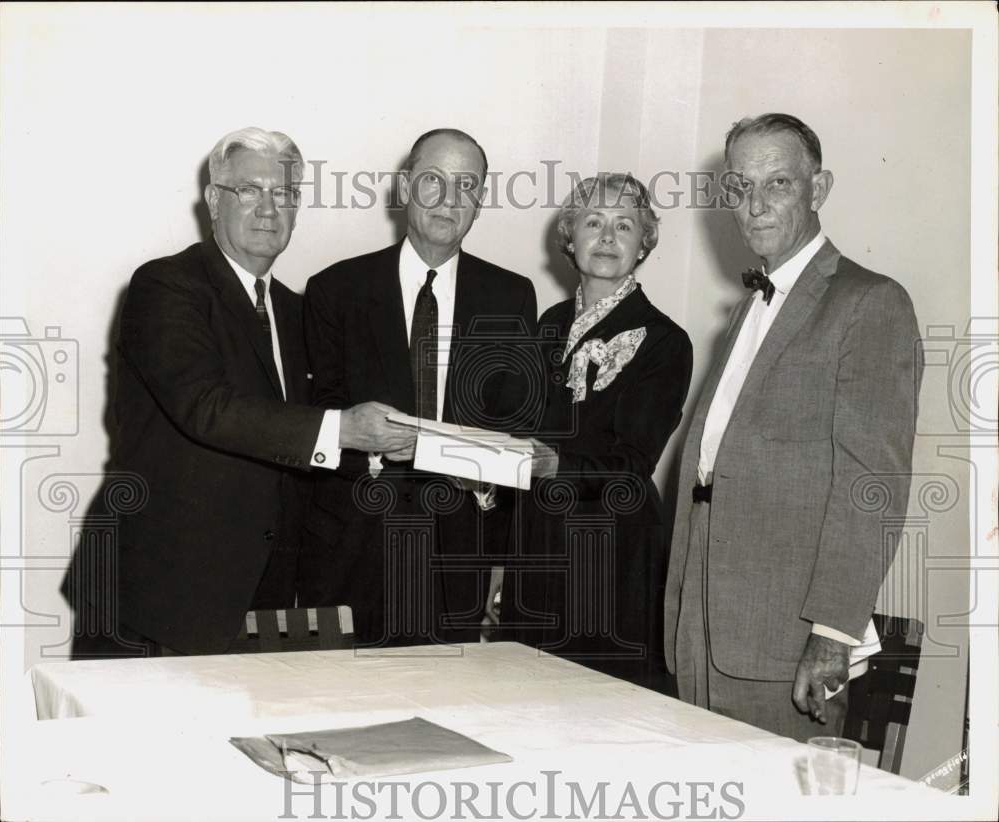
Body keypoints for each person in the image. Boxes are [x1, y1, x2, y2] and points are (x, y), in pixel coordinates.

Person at [65, 127, 414, 658]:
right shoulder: (166, 286)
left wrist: (400, 442)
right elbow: (206, 408)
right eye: (249, 191)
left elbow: (309, 441)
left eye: (285, 194)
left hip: (260, 598)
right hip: (158, 593)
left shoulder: (296, 311)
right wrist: (344, 427)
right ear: (213, 200)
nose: (269, 209)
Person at [664, 113, 923, 739]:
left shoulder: (869, 302)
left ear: (819, 188)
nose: (754, 205)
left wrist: (833, 636)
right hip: (702, 625)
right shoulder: (750, 307)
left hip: (787, 643)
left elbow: (873, 487)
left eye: (776, 183)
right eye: (739, 187)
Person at [299, 128, 540, 647]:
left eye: (465, 185)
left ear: (480, 202)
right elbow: (317, 420)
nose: (447, 199)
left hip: (459, 556)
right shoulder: (334, 290)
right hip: (350, 551)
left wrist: (501, 557)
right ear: (404, 187)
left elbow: (514, 429)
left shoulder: (512, 296)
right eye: (432, 180)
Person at [503, 174, 692, 692]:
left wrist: (555, 466)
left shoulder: (665, 341)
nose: (608, 237)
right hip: (537, 543)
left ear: (643, 243)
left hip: (613, 554)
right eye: (593, 222)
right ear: (569, 237)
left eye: (624, 225)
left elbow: (633, 468)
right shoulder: (548, 322)